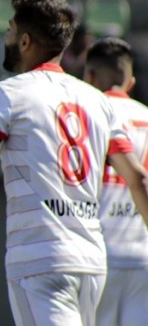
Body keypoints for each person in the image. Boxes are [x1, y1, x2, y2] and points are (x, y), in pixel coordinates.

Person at [0, 0, 148, 326]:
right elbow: (137, 177)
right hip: (91, 260)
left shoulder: (8, 94)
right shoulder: (97, 100)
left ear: (25, 41)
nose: (7, 37)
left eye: (11, 30)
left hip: (41, 258)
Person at [83, 38, 148, 326]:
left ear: (90, 77)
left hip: (97, 251)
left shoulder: (87, 115)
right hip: (141, 255)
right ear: (131, 81)